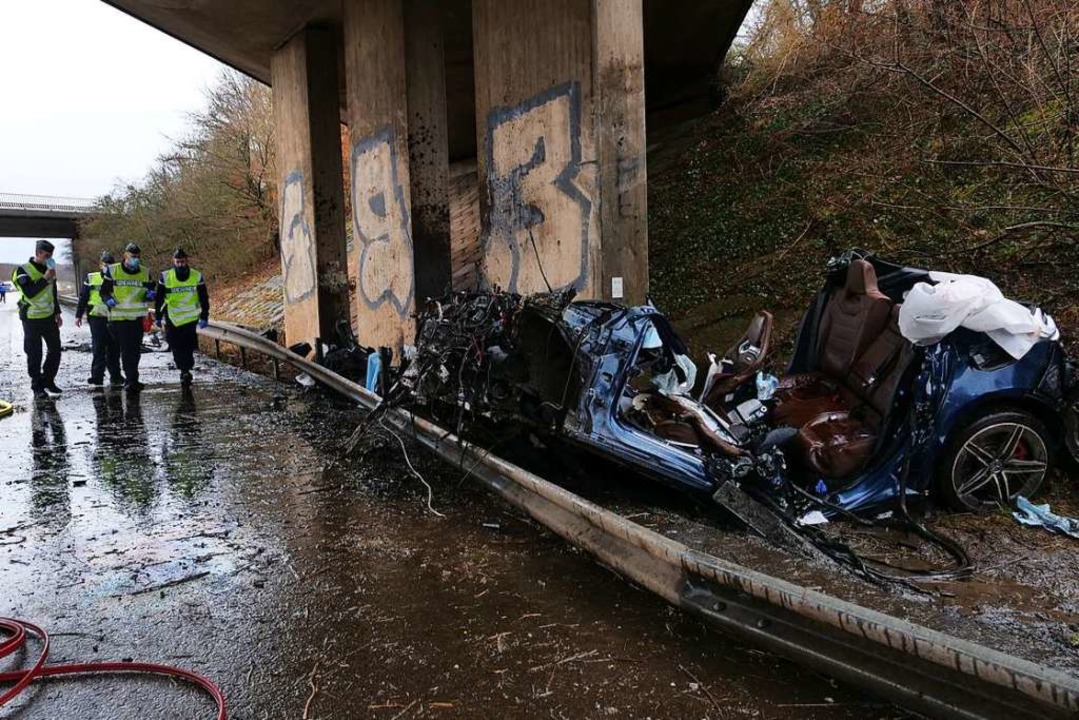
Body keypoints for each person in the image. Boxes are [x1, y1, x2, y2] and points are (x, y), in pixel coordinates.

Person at [100, 243, 155, 393]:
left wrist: (150, 294)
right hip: (120, 318)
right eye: (133, 257)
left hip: (137, 318)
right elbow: (103, 291)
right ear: (125, 256)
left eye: (137, 257)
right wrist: (108, 300)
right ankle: (130, 380)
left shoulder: (145, 272)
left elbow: (151, 287)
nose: (135, 259)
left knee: (135, 350)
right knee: (126, 349)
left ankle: (133, 378)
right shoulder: (113, 271)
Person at [12, 240, 63, 397]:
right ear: (38, 253)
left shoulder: (50, 269)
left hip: (48, 317)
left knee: (55, 351)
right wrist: (45, 278)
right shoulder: (22, 270)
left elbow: (52, 292)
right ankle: (37, 386)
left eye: (51, 256)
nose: (49, 258)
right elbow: (30, 292)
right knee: (35, 353)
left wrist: (57, 312)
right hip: (31, 318)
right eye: (47, 255)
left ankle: (48, 380)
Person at [154, 248, 209, 387]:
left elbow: (204, 298)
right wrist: (158, 316)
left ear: (187, 261)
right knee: (176, 346)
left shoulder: (196, 276)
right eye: (177, 262)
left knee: (188, 346)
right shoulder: (165, 276)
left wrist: (204, 315)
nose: (180, 265)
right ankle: (183, 369)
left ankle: (186, 369)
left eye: (182, 262)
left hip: (190, 318)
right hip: (173, 317)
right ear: (173, 261)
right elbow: (159, 297)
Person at [75, 251, 124, 387]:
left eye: (110, 264)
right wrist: (78, 315)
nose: (107, 267)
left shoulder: (119, 278)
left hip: (114, 317)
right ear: (100, 265)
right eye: (105, 264)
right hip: (97, 318)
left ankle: (115, 376)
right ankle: (97, 376)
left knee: (114, 347)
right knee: (99, 348)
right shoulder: (91, 278)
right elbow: (83, 297)